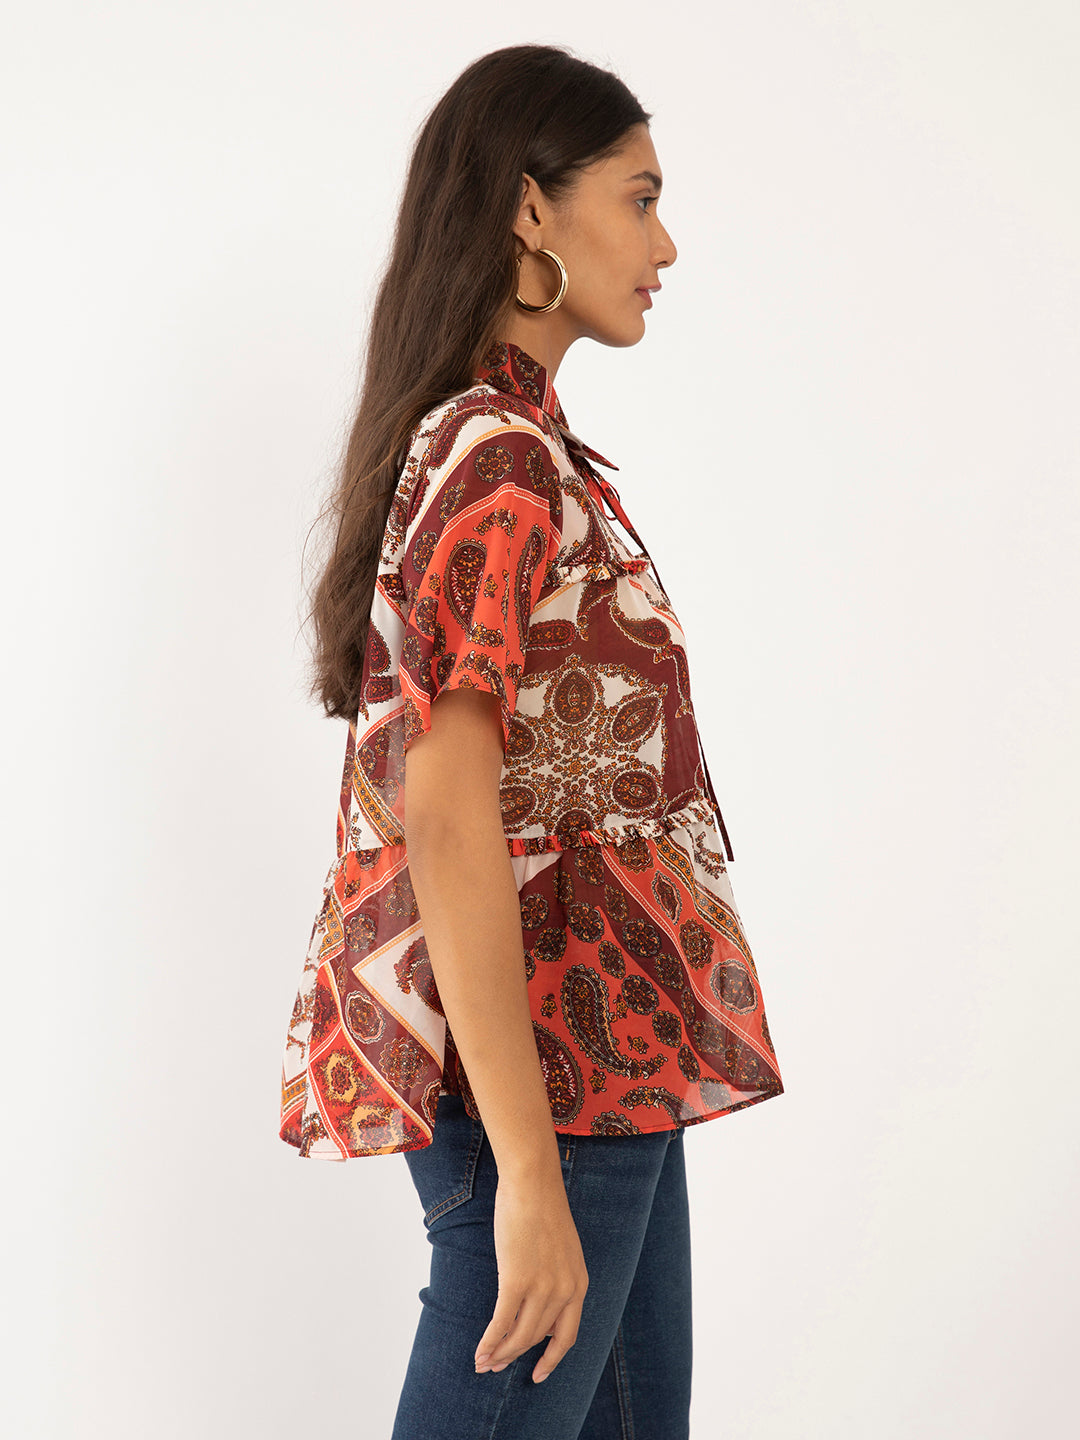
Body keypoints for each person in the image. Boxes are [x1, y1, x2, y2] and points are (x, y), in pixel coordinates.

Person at [278, 43, 785, 1439]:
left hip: (608, 1059)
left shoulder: (523, 450)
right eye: (640, 198)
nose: (666, 245)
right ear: (528, 209)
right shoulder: (495, 457)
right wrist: (528, 1175)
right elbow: (446, 817)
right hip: (552, 1067)